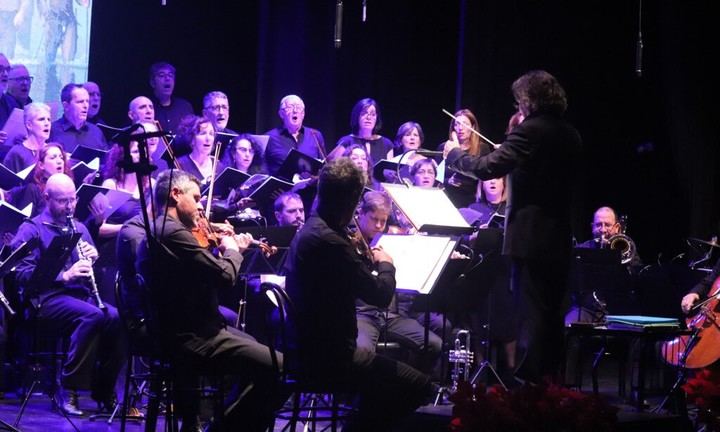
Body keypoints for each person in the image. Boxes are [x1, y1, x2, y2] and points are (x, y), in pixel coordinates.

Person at [444, 70, 582, 384]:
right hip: (560, 236)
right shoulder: (571, 133)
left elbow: (488, 166)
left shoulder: (530, 131)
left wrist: (455, 155)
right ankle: (551, 386)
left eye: (520, 101)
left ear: (529, 100)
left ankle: (530, 389)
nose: (518, 107)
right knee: (550, 316)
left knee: (531, 316)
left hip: (530, 238)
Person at [284, 158, 433, 431]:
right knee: (421, 386)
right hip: (332, 359)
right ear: (353, 201)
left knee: (383, 390)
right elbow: (379, 293)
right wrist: (386, 263)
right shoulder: (331, 243)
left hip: (306, 351)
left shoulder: (312, 230)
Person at [136, 169, 284, 431]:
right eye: (196, 198)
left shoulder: (165, 231)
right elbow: (225, 275)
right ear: (175, 194)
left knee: (259, 351)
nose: (201, 207)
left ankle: (219, 422)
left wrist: (218, 247)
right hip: (194, 338)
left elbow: (201, 272)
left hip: (192, 330)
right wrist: (232, 250)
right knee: (280, 367)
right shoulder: (172, 233)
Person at [10, 173, 125, 416]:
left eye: (73, 200)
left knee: (116, 318)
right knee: (92, 316)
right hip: (45, 299)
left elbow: (86, 267)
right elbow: (20, 273)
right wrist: (64, 275)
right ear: (47, 198)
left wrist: (92, 258)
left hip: (78, 296)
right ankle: (68, 388)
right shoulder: (31, 229)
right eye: (63, 201)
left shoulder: (80, 227)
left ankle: (104, 391)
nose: (70, 206)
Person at [353, 190, 443, 374]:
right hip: (362, 314)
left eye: (383, 221)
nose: (379, 226)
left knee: (434, 344)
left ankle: (410, 387)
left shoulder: (390, 242)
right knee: (361, 353)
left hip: (390, 315)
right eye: (373, 219)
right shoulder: (350, 244)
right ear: (361, 214)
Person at [264, 94, 326, 178]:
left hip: (310, 189)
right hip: (282, 190)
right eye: (290, 107)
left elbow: (324, 167)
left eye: (298, 107)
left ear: (303, 114)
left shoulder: (315, 135)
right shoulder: (269, 137)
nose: (295, 110)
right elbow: (261, 170)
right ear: (281, 114)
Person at [439, 108, 490, 208]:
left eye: (465, 124)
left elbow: (484, 176)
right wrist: (448, 181)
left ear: (473, 127)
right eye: (457, 124)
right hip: (448, 199)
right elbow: (437, 177)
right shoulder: (444, 147)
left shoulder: (482, 149)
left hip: (473, 201)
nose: (460, 128)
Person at [7, 142, 72, 217]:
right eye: (53, 158)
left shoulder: (67, 189)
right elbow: (23, 222)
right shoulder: (33, 190)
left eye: (61, 157)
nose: (59, 161)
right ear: (41, 165)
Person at [332, 98, 394, 164]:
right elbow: (331, 167)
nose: (369, 118)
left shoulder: (386, 144)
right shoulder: (346, 141)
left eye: (373, 114)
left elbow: (389, 171)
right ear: (357, 116)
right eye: (364, 113)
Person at [49, 83, 107, 154]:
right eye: (80, 102)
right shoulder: (52, 131)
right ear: (66, 106)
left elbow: (105, 162)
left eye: (87, 101)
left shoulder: (96, 132)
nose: (85, 106)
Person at [176, 115, 224, 187]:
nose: (208, 138)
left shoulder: (218, 166)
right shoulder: (180, 165)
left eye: (211, 134)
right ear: (192, 139)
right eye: (203, 133)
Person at [2, 102, 50, 172]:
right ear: (29, 125)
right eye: (41, 119)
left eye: (49, 119)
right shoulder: (16, 152)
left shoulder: (53, 150)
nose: (47, 123)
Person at [149, 62, 194, 134]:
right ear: (152, 83)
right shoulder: (147, 108)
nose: (167, 78)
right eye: (162, 75)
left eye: (170, 75)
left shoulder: (185, 107)